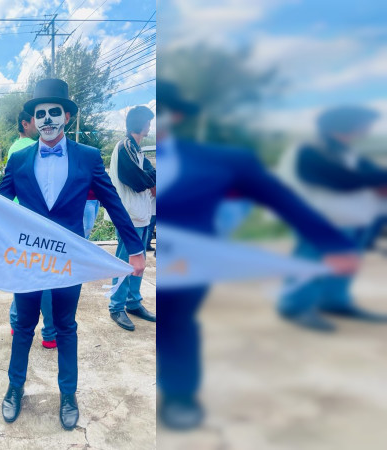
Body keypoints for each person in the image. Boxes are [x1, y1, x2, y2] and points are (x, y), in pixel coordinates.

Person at [155, 80, 359, 430]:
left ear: (172, 115)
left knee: (176, 322)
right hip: (149, 256)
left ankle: (179, 393)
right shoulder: (132, 158)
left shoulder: (223, 160)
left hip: (192, 263)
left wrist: (331, 243)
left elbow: (281, 197)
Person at [0, 79, 146, 430]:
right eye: (40, 114)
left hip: (68, 260)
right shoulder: (18, 159)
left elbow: (113, 202)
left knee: (65, 326)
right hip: (29, 260)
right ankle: (14, 388)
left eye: (53, 113)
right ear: (32, 120)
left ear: (65, 115)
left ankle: (68, 394)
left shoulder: (88, 156)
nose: (47, 120)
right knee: (23, 326)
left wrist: (136, 249)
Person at [277, 105, 387, 330]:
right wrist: (374, 179)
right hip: (320, 219)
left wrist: (376, 180)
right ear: (346, 124)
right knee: (310, 262)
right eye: (365, 123)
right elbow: (341, 181)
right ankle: (294, 307)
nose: (368, 128)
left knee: (346, 262)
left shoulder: (349, 153)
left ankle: (334, 302)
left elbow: (372, 175)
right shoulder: (308, 150)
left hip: (354, 219)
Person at [5, 109, 57, 348]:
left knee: (24, 276)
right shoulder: (35, 147)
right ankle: (49, 334)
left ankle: (17, 325)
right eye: (36, 119)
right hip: (40, 224)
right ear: (26, 123)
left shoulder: (13, 149)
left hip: (17, 223)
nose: (41, 124)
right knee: (47, 278)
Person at [106, 105, 157, 331]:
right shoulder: (125, 146)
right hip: (128, 216)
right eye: (148, 122)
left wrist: (150, 177)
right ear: (140, 123)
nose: (149, 126)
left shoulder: (138, 150)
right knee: (124, 262)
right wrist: (151, 179)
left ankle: (133, 302)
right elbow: (136, 180)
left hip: (142, 215)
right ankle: (116, 306)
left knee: (139, 264)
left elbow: (152, 173)